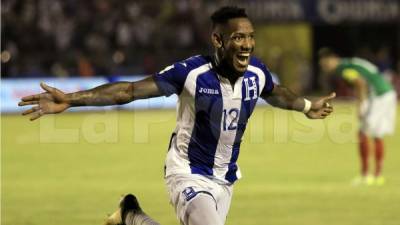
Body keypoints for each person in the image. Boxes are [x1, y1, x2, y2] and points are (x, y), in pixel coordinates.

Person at [19, 6, 335, 225]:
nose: (247, 45)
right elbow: (127, 91)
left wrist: (307, 107)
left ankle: (131, 216)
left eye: (250, 37)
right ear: (218, 40)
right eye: (238, 37)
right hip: (188, 172)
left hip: (224, 179)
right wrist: (73, 100)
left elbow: (276, 92)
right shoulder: (192, 73)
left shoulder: (256, 73)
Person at [318, 48, 397, 186]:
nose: (326, 68)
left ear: (333, 59)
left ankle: (366, 175)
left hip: (378, 96)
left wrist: (361, 105)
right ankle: (377, 176)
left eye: (326, 64)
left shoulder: (344, 68)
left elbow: (360, 83)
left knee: (363, 133)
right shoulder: (351, 62)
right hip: (387, 92)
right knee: (376, 134)